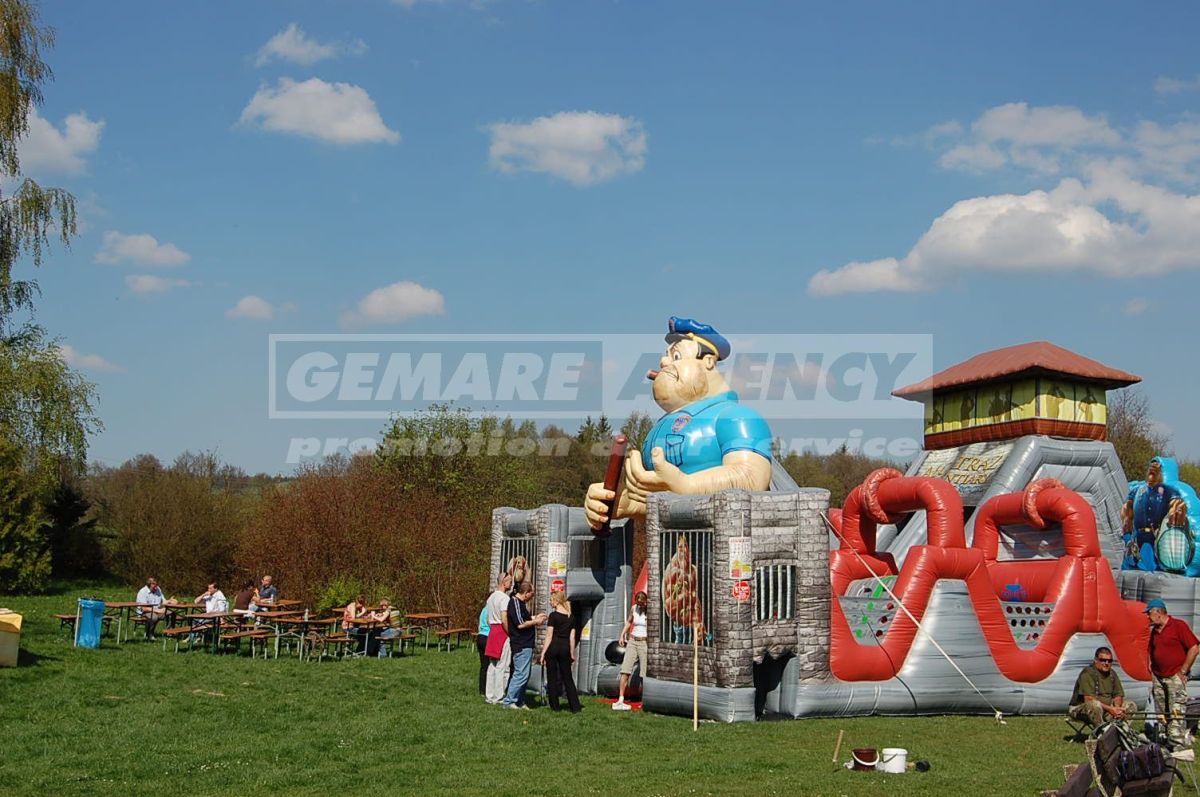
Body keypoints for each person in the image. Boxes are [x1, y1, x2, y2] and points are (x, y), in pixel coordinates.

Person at [585, 316, 773, 530]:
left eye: (676, 355)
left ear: (708, 361)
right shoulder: (661, 427)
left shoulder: (737, 417)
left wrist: (685, 485)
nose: (664, 362)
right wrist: (632, 504)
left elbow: (751, 478)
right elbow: (665, 506)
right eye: (666, 356)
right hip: (670, 548)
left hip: (727, 546)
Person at [1147, 599, 1200, 756]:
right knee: (1161, 711)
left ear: (1159, 612)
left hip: (1174, 677)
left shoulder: (1178, 626)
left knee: (1176, 710)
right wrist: (1150, 665)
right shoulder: (1155, 631)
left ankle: (1177, 745)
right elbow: (1151, 649)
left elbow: (1194, 648)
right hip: (1158, 677)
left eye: (1149, 613)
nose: (1148, 617)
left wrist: (1183, 671)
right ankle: (1164, 741)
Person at [1123, 458, 1188, 571]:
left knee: (1152, 565)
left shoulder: (1169, 491)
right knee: (1131, 564)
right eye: (1151, 466)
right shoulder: (1136, 490)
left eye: (1157, 467)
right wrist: (1127, 537)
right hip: (1137, 537)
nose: (1153, 468)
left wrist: (1176, 510)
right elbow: (1127, 514)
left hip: (1156, 537)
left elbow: (1175, 505)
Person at [502, 581, 547, 709]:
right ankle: (509, 701)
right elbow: (520, 624)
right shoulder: (515, 603)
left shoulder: (521, 604)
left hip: (527, 644)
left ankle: (519, 701)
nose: (532, 597)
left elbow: (523, 618)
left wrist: (535, 617)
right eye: (531, 594)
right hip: (521, 643)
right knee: (520, 674)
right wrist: (536, 622)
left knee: (525, 675)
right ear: (526, 593)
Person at [1068, 646, 1135, 730]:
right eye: (1103, 660)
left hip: (1106, 709)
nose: (1106, 663)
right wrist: (1111, 709)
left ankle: (1121, 730)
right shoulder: (1087, 673)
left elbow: (1118, 695)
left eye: (1109, 661)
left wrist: (1117, 708)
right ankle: (1101, 731)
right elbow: (1089, 699)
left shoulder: (1112, 674)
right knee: (1094, 705)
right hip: (1080, 709)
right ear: (1096, 660)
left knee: (1130, 705)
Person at [539, 589, 581, 713]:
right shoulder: (571, 617)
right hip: (565, 647)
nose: (550, 602)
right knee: (567, 677)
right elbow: (572, 637)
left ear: (557, 601)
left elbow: (549, 636)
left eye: (551, 600)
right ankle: (575, 706)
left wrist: (543, 653)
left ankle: (555, 706)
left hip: (553, 647)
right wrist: (572, 653)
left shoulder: (553, 616)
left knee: (552, 677)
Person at [613, 590, 650, 711]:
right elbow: (629, 622)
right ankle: (621, 698)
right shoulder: (634, 608)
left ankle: (644, 700)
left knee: (644, 672)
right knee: (625, 669)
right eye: (638, 603)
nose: (640, 606)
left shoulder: (649, 611)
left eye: (642, 604)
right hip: (633, 640)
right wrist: (622, 635)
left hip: (644, 642)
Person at [484, 573, 513, 704]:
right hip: (502, 632)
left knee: (492, 665)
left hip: (492, 632)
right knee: (503, 665)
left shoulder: (490, 598)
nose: (511, 584)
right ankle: (499, 695)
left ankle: (489, 695)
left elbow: (487, 619)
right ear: (504, 582)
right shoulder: (504, 598)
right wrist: (510, 632)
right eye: (509, 581)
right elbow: (504, 618)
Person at [476, 600, 490, 696]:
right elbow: (490, 623)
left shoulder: (484, 609)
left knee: (483, 666)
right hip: (488, 637)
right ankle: (488, 688)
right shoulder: (491, 610)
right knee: (491, 665)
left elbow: (480, 624)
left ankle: (482, 689)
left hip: (480, 635)